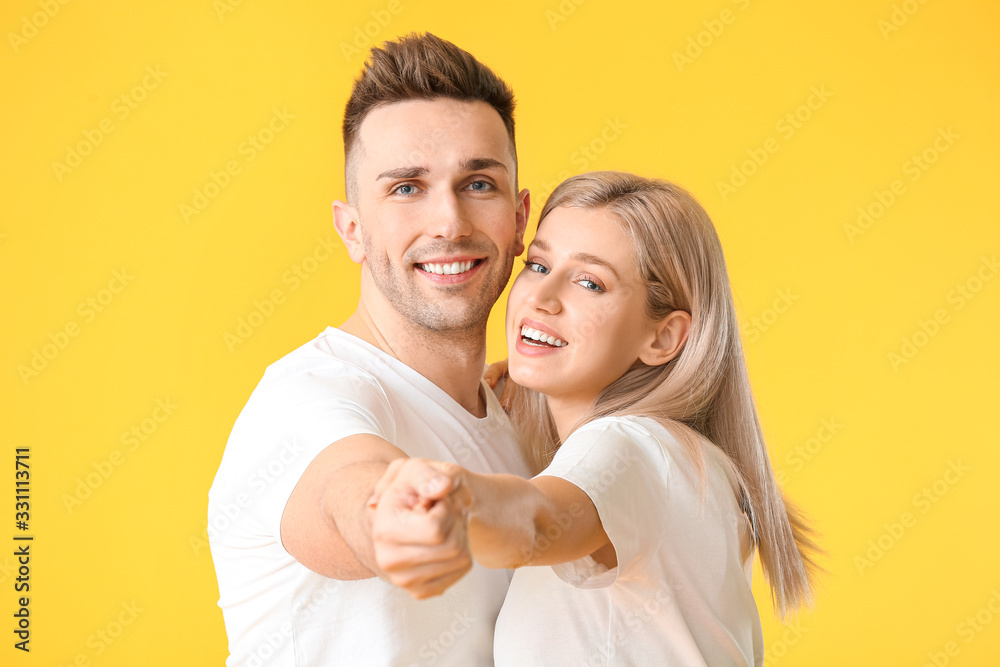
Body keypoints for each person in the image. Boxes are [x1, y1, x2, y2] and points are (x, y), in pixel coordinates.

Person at [370, 171, 821, 666]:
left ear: (664, 338)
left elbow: (539, 520)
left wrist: (449, 497)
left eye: (590, 282)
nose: (542, 298)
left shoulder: (632, 446)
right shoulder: (684, 459)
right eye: (539, 265)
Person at [207, 33, 533, 665]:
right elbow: (345, 490)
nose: (449, 223)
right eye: (406, 188)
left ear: (520, 220)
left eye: (479, 184)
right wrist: (389, 516)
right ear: (352, 229)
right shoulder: (304, 398)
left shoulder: (512, 425)